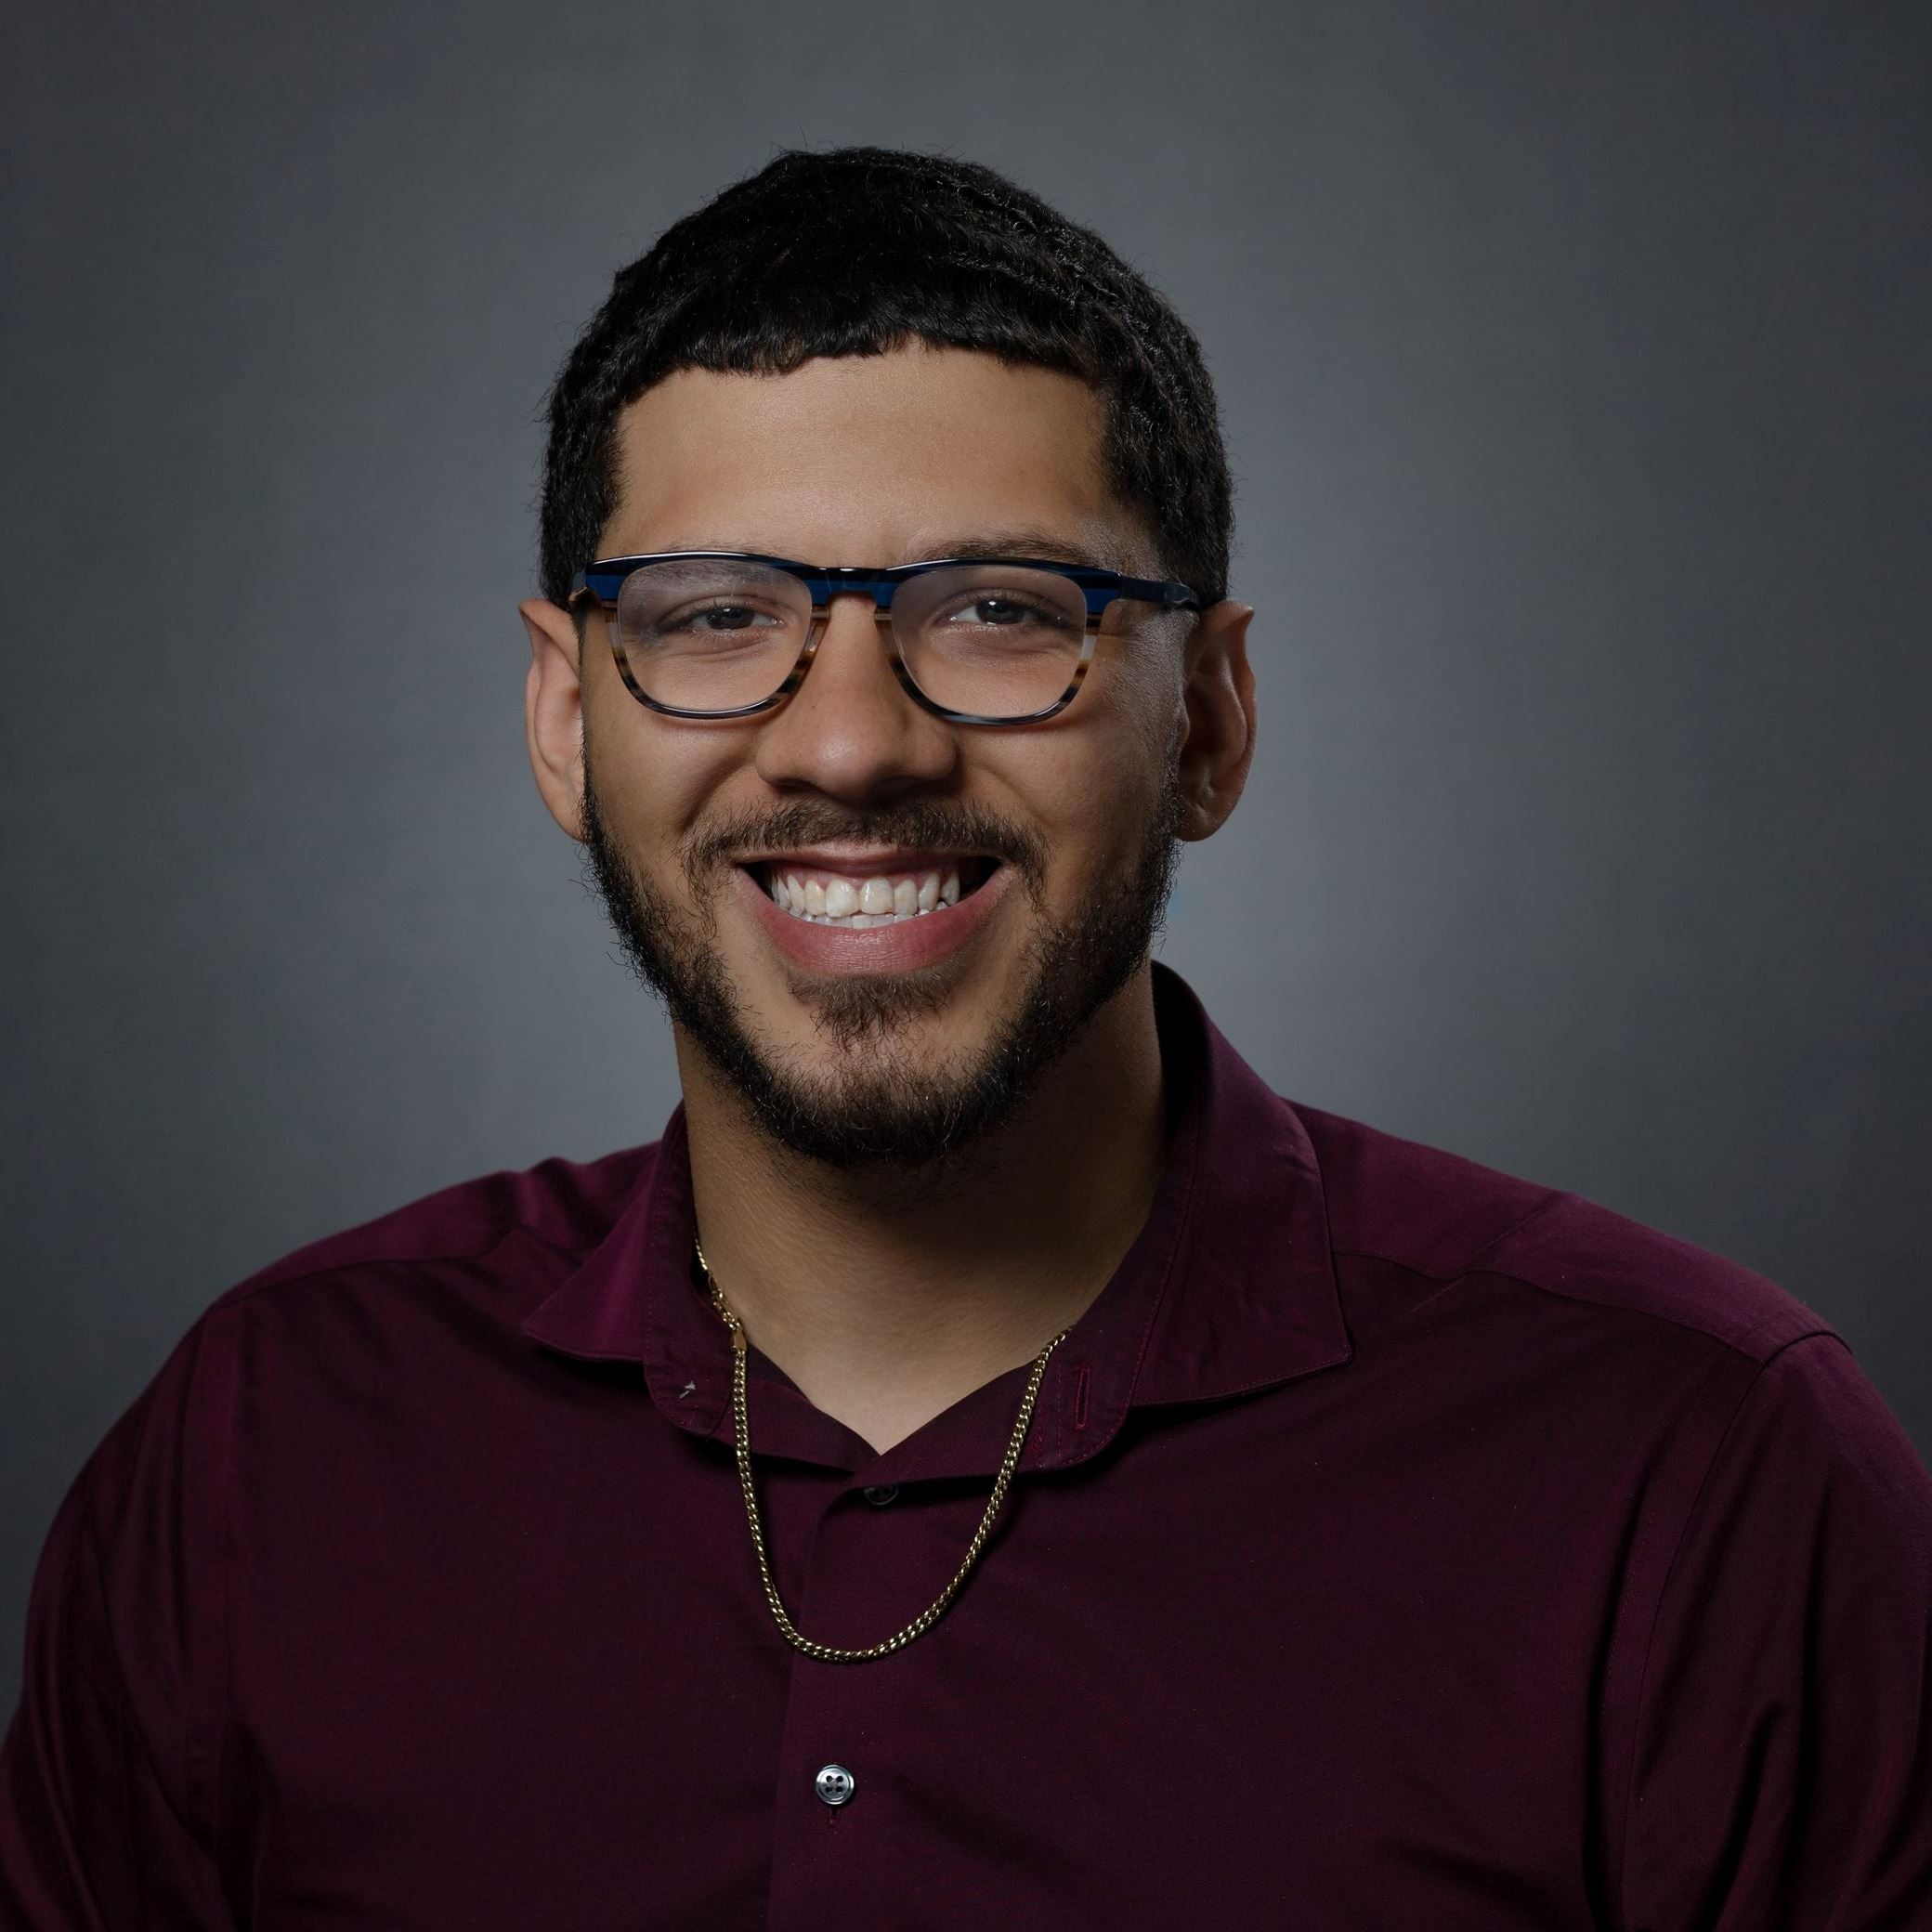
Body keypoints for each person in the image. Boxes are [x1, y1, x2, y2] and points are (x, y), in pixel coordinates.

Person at [3, 145, 1928, 1930]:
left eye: (1003, 610)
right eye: (715, 610)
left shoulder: (1696, 1469)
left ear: (1209, 719)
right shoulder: (266, 1450)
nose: (848, 738)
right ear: (566, 718)